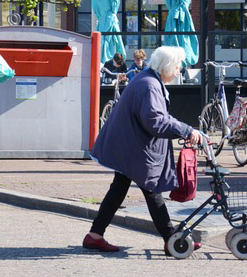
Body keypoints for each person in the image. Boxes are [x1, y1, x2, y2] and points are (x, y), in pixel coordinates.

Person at [82, 46, 203, 255]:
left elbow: (156, 117)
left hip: (128, 145)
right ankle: (171, 239)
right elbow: (155, 120)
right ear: (167, 67)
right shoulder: (150, 85)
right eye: (177, 67)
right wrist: (186, 130)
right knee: (151, 189)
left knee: (120, 188)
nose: (178, 71)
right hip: (133, 147)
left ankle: (95, 235)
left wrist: (182, 128)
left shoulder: (147, 80)